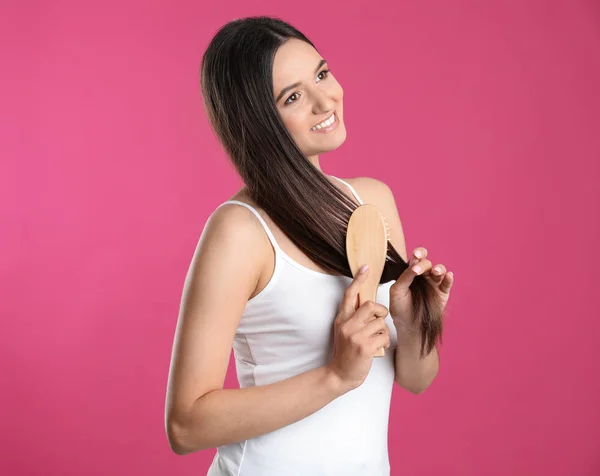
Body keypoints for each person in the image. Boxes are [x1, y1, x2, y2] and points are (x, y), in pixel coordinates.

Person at [164, 16, 453, 476]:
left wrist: (416, 318)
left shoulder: (372, 202)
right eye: (293, 97)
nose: (326, 100)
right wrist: (336, 375)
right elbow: (185, 425)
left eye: (321, 74)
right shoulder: (240, 232)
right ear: (259, 122)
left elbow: (416, 378)